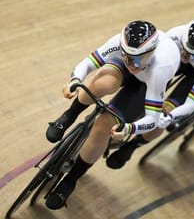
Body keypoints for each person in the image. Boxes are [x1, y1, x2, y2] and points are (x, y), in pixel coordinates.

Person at [44, 20, 180, 209]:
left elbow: (153, 118)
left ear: (151, 52)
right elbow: (89, 63)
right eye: (128, 55)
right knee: (104, 83)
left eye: (138, 58)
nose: (133, 63)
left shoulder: (161, 67)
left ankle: (70, 180)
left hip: (145, 85)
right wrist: (74, 82)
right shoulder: (119, 43)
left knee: (103, 126)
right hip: (124, 70)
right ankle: (69, 115)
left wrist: (130, 128)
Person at [105, 18, 194, 169]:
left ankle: (131, 146)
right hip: (183, 57)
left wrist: (170, 117)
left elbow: (191, 104)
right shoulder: (175, 36)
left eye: (191, 55)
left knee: (164, 113)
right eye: (184, 50)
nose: (186, 58)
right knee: (154, 82)